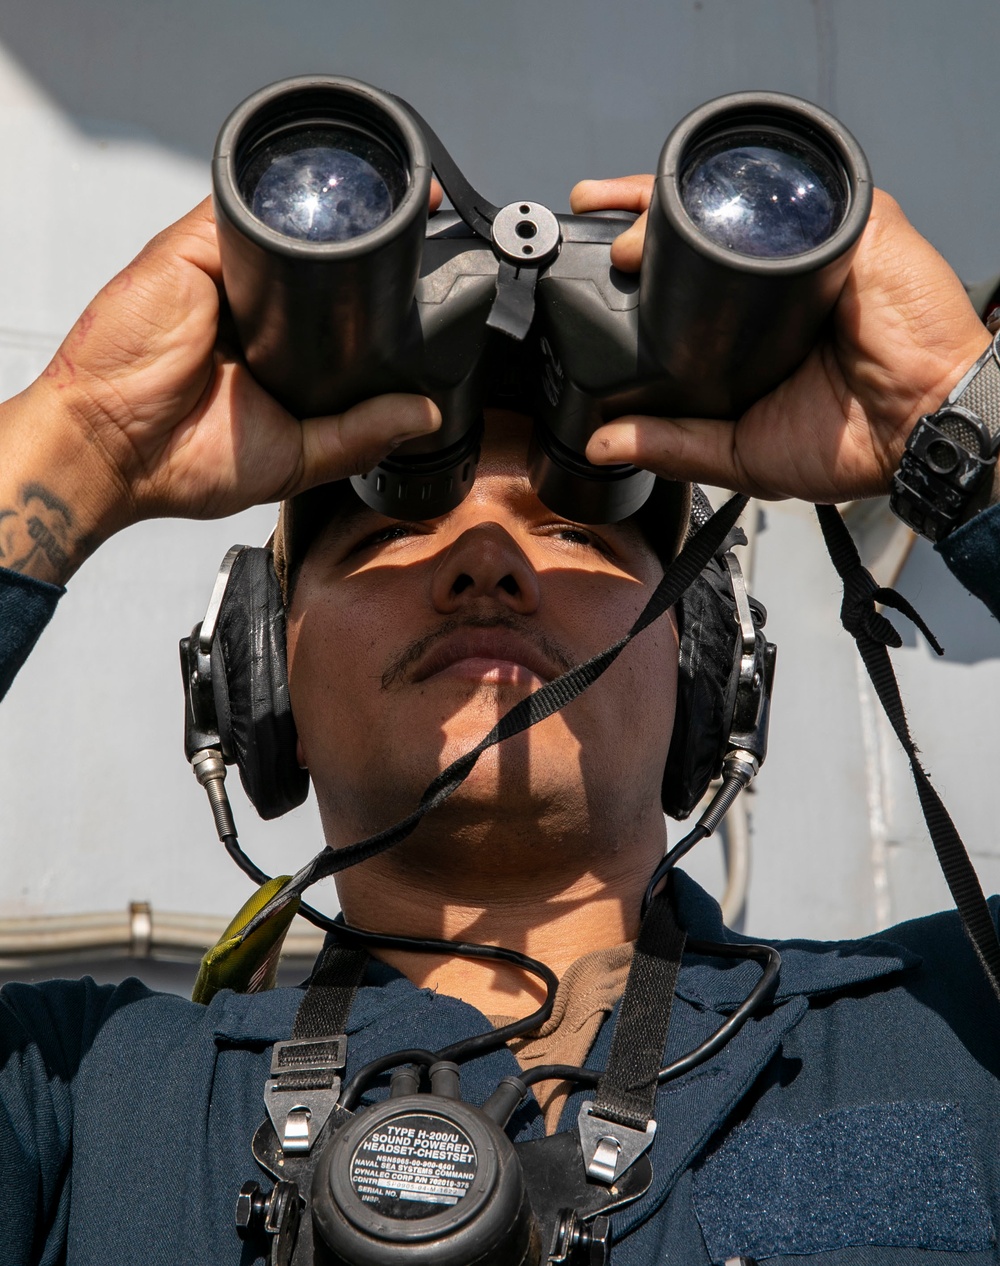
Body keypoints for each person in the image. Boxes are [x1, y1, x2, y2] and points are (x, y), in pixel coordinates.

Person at [1, 176, 999, 1266]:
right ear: (257, 672)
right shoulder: (85, 1097)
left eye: (576, 533)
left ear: (710, 664)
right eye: (394, 534)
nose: (488, 563)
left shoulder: (949, 1029)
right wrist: (83, 438)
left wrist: (968, 435)